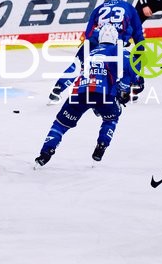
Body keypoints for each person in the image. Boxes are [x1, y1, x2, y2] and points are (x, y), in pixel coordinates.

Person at [35, 23, 135, 167]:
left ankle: (44, 154)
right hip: (103, 95)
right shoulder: (119, 50)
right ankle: (101, 146)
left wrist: (60, 86)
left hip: (80, 93)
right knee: (111, 118)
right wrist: (124, 90)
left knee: (60, 124)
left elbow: (75, 70)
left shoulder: (90, 52)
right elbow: (131, 71)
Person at [48, 0, 144, 102]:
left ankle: (58, 89)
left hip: (94, 41)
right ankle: (126, 91)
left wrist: (91, 46)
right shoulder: (128, 7)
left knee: (78, 64)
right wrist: (139, 49)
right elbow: (137, 32)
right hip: (115, 45)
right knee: (129, 65)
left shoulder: (98, 8)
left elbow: (88, 33)